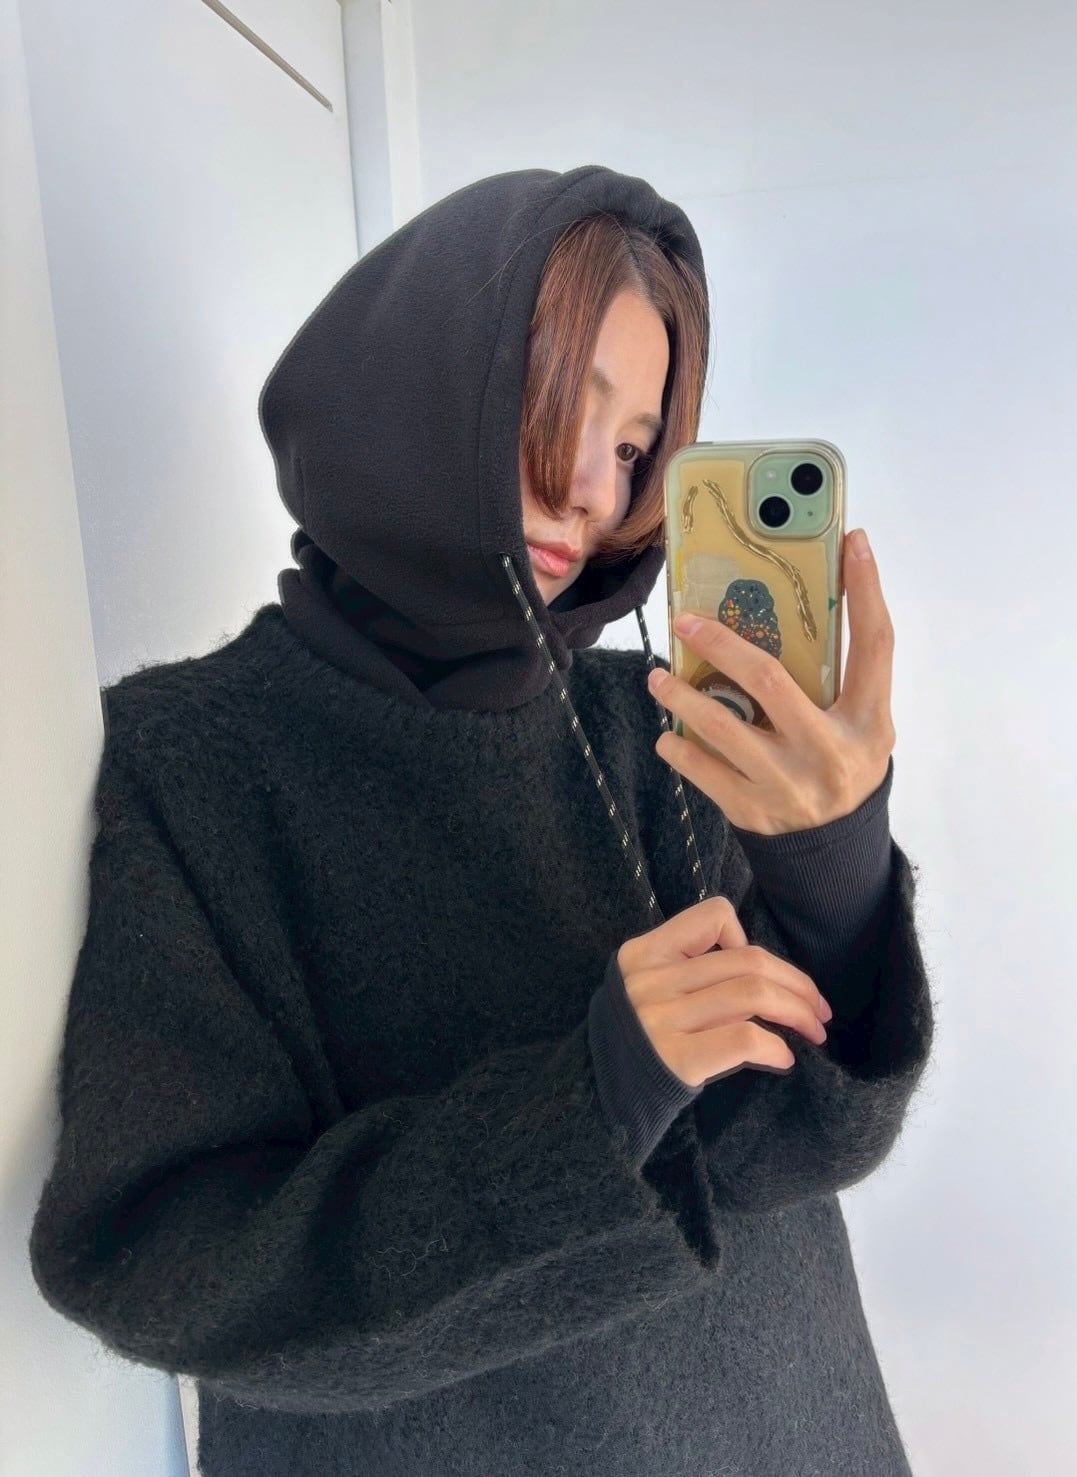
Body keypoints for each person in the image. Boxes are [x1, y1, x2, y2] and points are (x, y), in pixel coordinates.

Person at [28, 165, 935, 1476]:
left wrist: (835, 870)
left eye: (635, 447)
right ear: (410, 380)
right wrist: (594, 1096)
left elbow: (793, 1143)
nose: (593, 487)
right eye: (563, 403)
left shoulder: (656, 720)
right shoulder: (193, 762)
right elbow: (167, 1265)